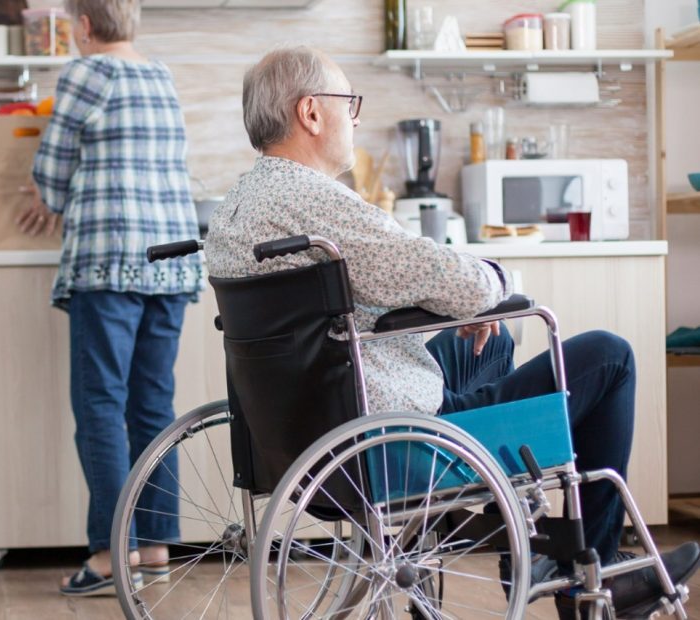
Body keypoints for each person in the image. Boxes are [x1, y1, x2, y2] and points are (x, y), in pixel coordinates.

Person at [203, 45, 699, 618]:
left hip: (306, 433)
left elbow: (406, 275)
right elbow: (442, 275)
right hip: (389, 440)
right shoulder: (314, 201)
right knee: (610, 358)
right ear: (311, 113)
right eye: (349, 103)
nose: (356, 117)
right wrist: (495, 282)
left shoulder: (238, 205)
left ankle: (521, 531)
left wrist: (468, 308)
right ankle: (589, 573)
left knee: (497, 342)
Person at [25, 0, 202, 597]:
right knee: (152, 404)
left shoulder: (85, 73)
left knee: (101, 403)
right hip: (171, 262)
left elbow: (49, 174)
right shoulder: (161, 75)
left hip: (110, 260)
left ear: (82, 26)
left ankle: (108, 554)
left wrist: (45, 197)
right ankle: (154, 548)